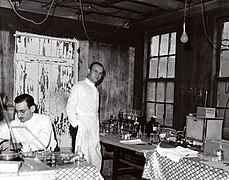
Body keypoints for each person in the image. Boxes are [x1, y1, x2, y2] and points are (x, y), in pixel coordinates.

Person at [66, 61, 105, 171]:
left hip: (92, 126)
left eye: (100, 73)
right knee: (81, 155)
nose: (97, 75)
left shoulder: (94, 90)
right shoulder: (80, 86)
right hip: (81, 126)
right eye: (95, 71)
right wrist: (76, 125)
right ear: (89, 71)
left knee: (95, 154)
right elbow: (70, 107)